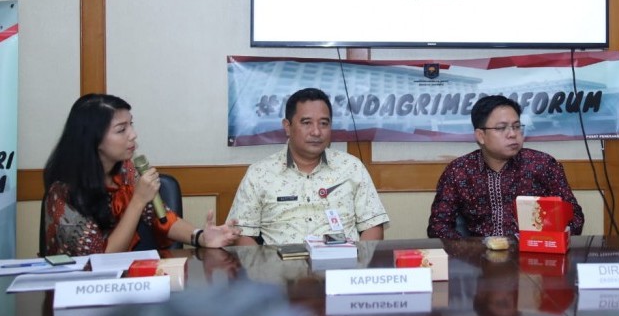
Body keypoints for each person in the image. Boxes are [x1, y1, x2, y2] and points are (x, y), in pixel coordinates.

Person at [43, 94, 241, 256]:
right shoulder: (63, 192)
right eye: (121, 130)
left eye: (131, 124)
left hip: (129, 283)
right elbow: (100, 259)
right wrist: (137, 200)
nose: (133, 134)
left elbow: (161, 217)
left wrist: (201, 237)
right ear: (92, 139)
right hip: (80, 289)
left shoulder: (127, 170)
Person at [228, 87, 389, 245]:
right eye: (306, 123)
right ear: (287, 127)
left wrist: (356, 267)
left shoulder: (351, 167)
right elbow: (243, 234)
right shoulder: (259, 174)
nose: (316, 132)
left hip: (341, 266)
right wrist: (264, 271)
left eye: (324, 123)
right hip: (281, 268)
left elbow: (373, 225)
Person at [427, 94, 584, 239]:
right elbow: (438, 226)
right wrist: (470, 252)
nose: (512, 134)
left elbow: (575, 218)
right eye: (501, 128)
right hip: (478, 261)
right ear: (481, 136)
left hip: (535, 255)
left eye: (516, 126)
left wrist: (545, 239)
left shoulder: (543, 165)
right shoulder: (459, 171)